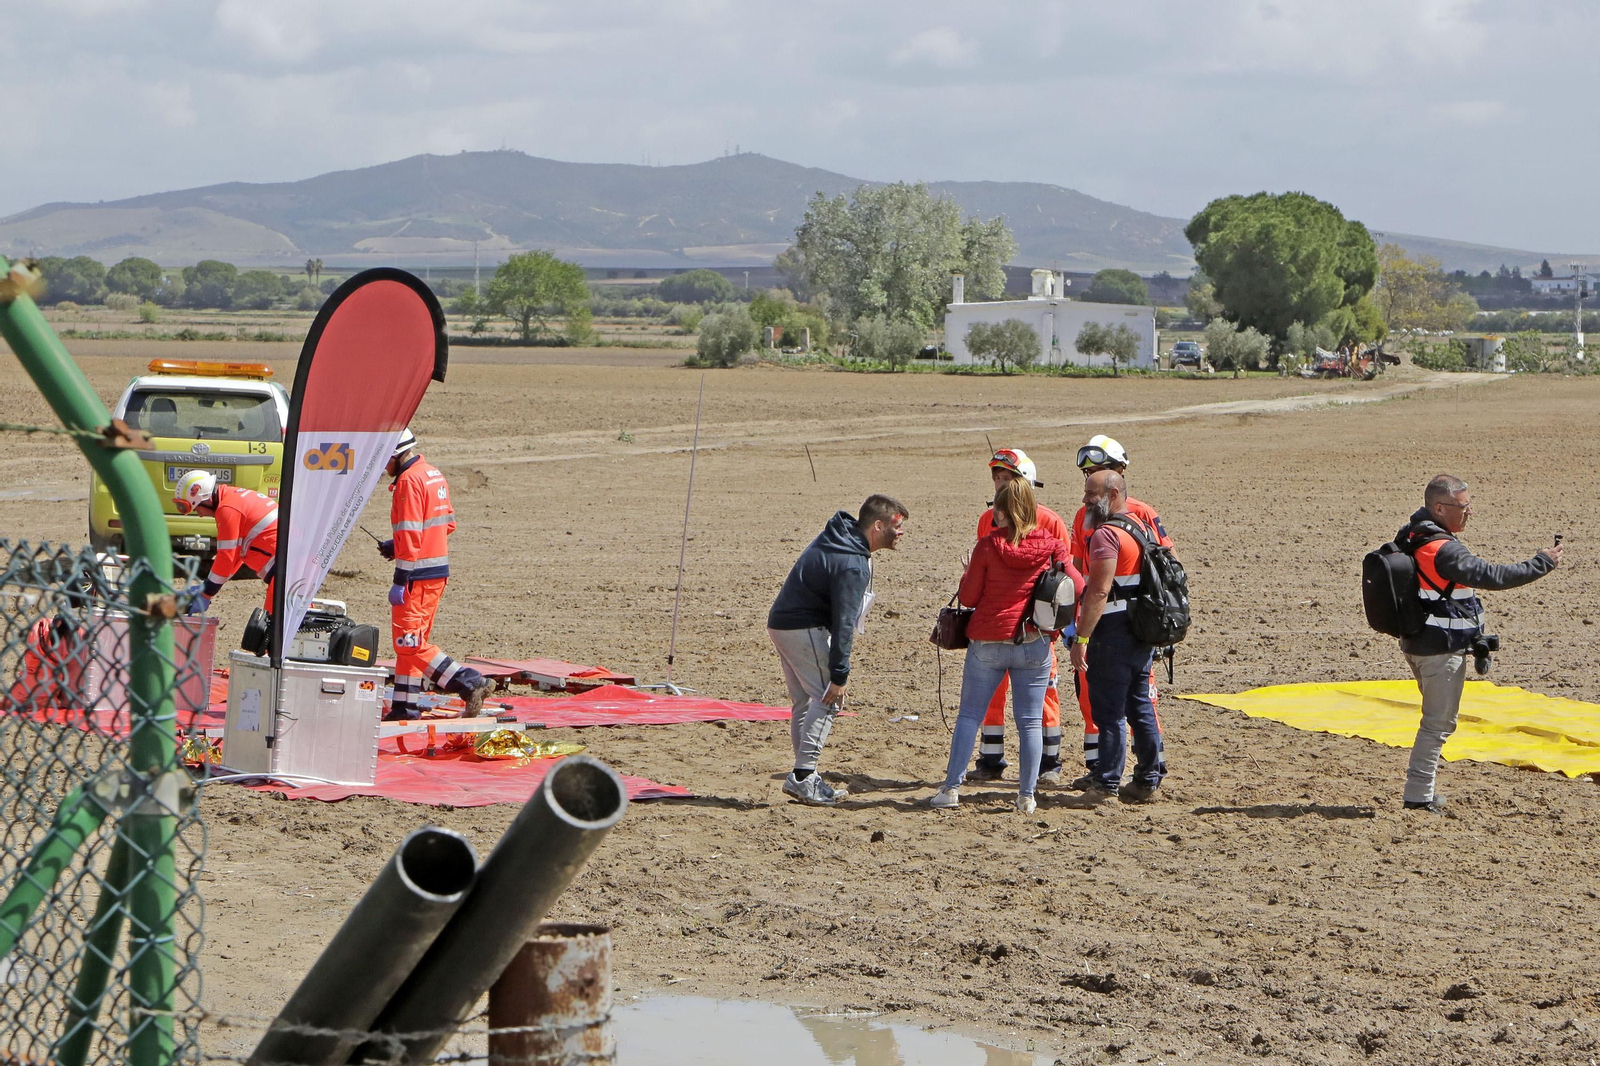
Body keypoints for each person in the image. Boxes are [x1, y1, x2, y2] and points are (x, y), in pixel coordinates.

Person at [1393, 474, 1560, 812]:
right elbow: (1492, 576)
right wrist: (1542, 562)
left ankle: (1421, 793)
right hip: (1441, 651)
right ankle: (1418, 798)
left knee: (1435, 720)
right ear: (1439, 508)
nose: (1469, 513)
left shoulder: (1412, 536)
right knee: (1437, 724)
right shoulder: (1444, 549)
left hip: (1419, 643)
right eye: (1463, 507)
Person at [931, 478, 1078, 814]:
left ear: (1001, 511)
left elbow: (968, 598)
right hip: (1034, 641)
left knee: (969, 716)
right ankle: (1026, 796)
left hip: (989, 639)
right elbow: (1077, 586)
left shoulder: (988, 545)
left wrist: (968, 572)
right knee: (1029, 721)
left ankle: (951, 789)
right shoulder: (1053, 545)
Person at [767, 494, 908, 806]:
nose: (901, 533)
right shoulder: (852, 563)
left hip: (782, 624)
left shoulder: (842, 538)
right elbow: (844, 623)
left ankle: (806, 776)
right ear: (878, 525)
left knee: (805, 699)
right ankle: (803, 777)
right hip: (799, 628)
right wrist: (840, 674)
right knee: (829, 699)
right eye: (897, 526)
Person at [1066, 435, 1173, 789]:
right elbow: (1079, 572)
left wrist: (1082, 634)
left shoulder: (1136, 516)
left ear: (1117, 478)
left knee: (1115, 706)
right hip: (1133, 626)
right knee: (1134, 703)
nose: (1087, 488)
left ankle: (1116, 777)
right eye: (1087, 474)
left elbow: (1098, 587)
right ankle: (1143, 777)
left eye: (1097, 475)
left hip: (1114, 626)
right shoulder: (1092, 518)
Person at [969, 449, 1071, 785]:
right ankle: (991, 758)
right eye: (996, 478)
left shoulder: (1051, 520)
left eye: (1006, 478)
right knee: (992, 693)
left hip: (1037, 626)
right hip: (998, 621)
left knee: (1044, 693)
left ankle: (1049, 764)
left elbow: (1064, 579)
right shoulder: (987, 520)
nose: (999, 484)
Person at [377, 428, 492, 721]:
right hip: (435, 574)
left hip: (417, 575)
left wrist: (400, 578)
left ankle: (468, 682)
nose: (382, 468)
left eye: (383, 460)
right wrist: (398, 544)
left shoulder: (408, 481)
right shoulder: (432, 474)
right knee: (412, 641)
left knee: (408, 642)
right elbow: (446, 524)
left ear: (395, 454)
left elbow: (412, 533)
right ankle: (405, 706)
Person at [175, 469, 277, 614]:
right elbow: (234, 558)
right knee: (280, 625)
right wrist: (207, 587)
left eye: (197, 508)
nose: (200, 515)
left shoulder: (227, 509)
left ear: (207, 500)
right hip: (288, 568)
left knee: (275, 627)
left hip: (285, 571)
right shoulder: (232, 499)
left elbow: (226, 557)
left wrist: (206, 593)